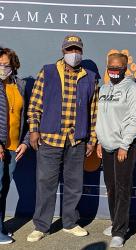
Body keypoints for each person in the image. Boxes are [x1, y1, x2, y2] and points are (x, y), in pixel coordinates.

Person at [27, 35, 98, 242]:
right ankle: (41, 226)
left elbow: (93, 111)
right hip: (50, 138)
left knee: (74, 184)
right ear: (63, 51)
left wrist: (92, 139)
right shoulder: (48, 71)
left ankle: (69, 222)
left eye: (76, 49)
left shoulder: (90, 76)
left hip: (76, 140)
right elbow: (35, 105)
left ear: (81, 52)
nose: (73, 54)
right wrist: (33, 130)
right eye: (69, 50)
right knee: (45, 184)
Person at [96, 53, 136, 248]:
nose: (114, 70)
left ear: (125, 68)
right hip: (106, 146)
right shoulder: (104, 88)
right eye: (111, 66)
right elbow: (102, 117)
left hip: (125, 147)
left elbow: (135, 119)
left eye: (118, 67)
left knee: (123, 188)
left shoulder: (132, 89)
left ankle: (120, 231)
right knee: (111, 186)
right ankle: (116, 222)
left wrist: (125, 145)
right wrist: (99, 140)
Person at [0, 47, 29, 244]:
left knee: (3, 189)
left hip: (13, 146)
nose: (2, 68)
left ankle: (0, 227)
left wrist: (25, 142)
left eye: (6, 65)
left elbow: (26, 119)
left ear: (13, 66)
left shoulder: (20, 85)